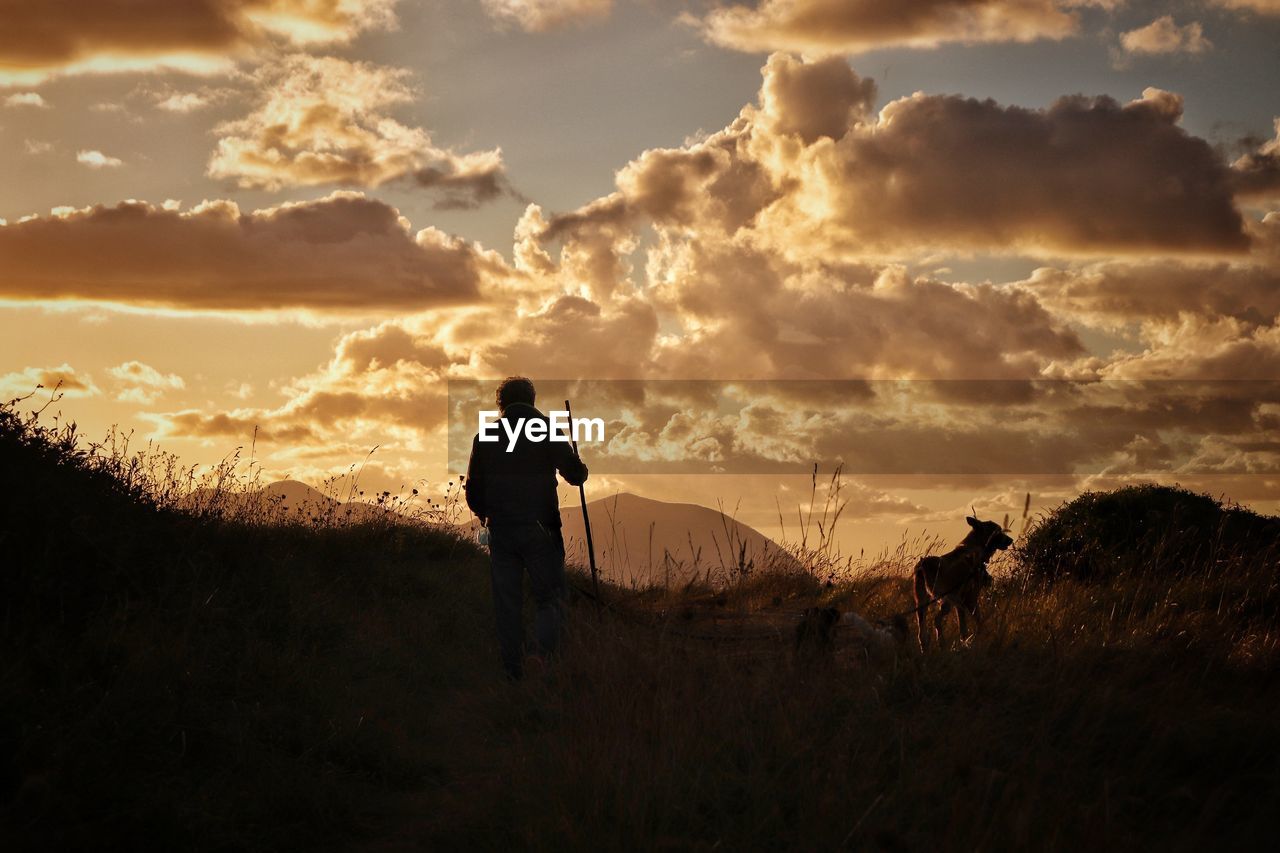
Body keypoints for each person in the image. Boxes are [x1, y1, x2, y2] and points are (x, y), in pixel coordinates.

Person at [465, 377, 588, 680]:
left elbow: (473, 492)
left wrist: (486, 515)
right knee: (551, 598)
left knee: (507, 604)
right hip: (540, 528)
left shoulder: (485, 437)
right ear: (532, 400)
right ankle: (540, 655)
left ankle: (513, 672)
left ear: (501, 403)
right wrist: (580, 467)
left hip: (502, 531)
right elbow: (575, 475)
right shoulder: (545, 429)